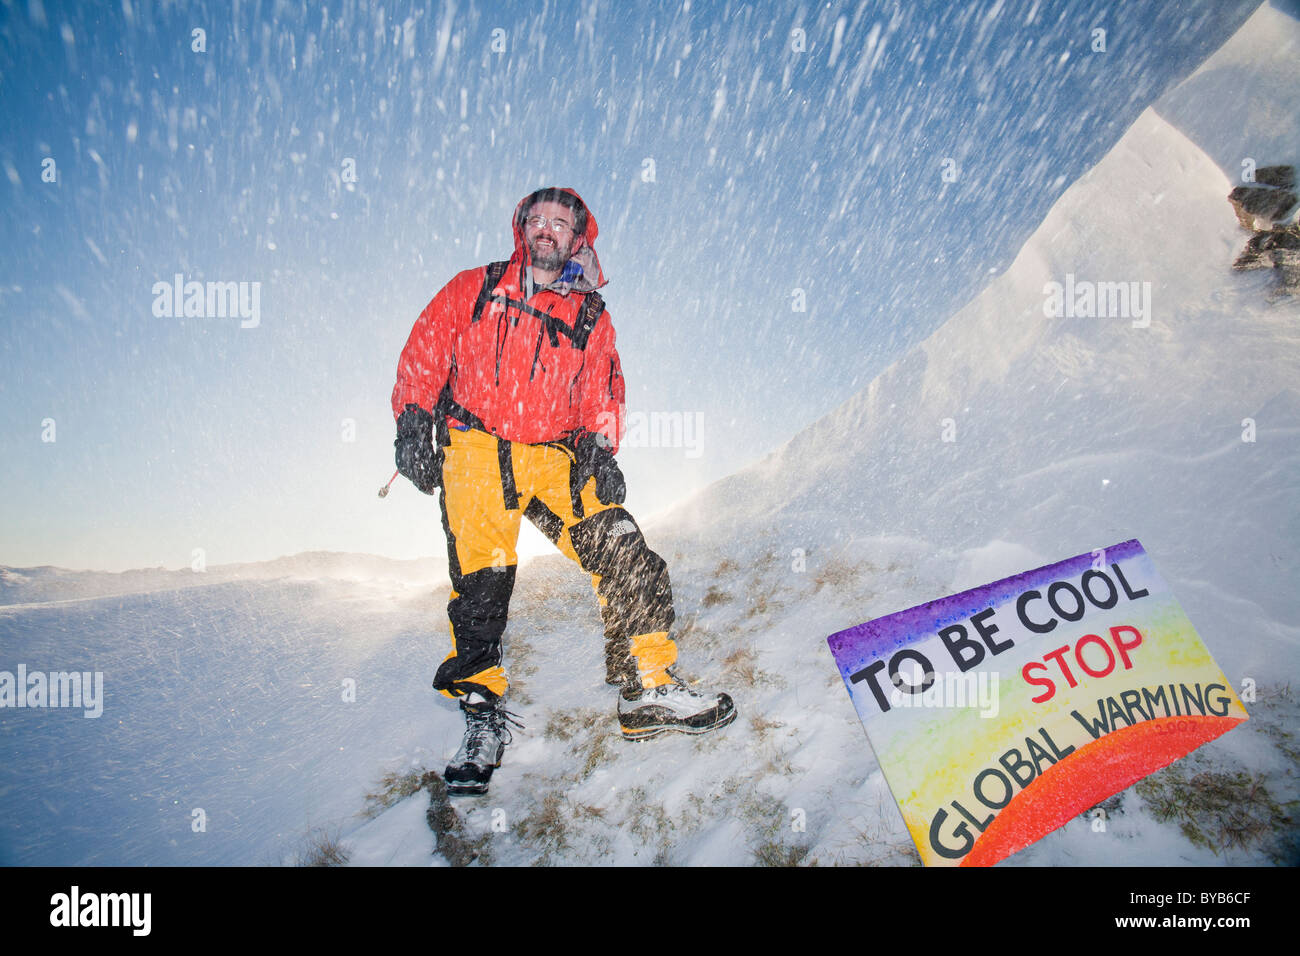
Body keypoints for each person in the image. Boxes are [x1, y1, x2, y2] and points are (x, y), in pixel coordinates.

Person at [391, 187, 735, 795]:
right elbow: (426, 348)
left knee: (622, 547)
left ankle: (648, 687)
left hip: (555, 455)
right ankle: (481, 717)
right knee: (480, 584)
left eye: (561, 223)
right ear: (523, 229)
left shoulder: (589, 314)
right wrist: (414, 419)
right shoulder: (474, 286)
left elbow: (605, 388)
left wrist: (601, 449)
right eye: (537, 221)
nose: (547, 230)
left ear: (579, 238)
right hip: (474, 449)